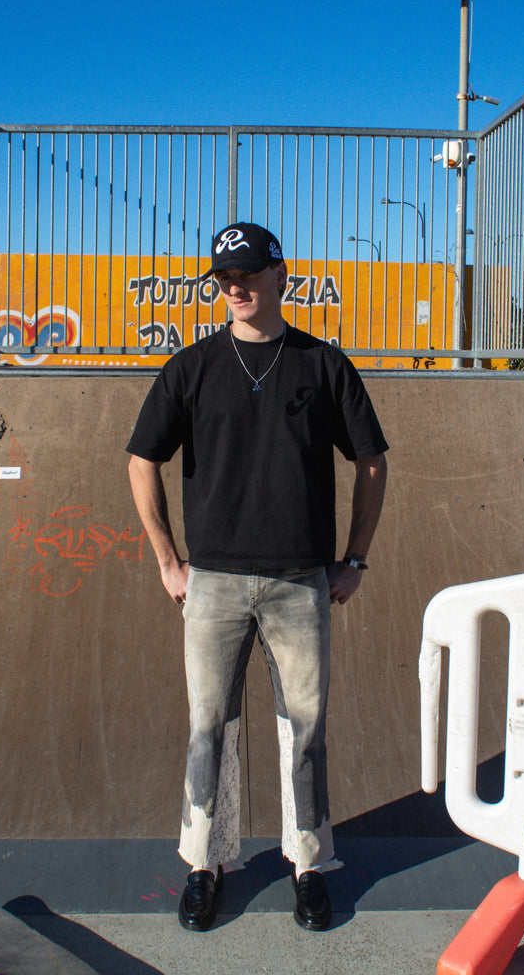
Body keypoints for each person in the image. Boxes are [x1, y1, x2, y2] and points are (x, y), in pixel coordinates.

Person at [126, 222, 388, 932]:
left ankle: (308, 865)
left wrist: (354, 557)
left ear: (280, 276)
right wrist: (168, 561)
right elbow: (141, 459)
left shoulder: (322, 365)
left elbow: (371, 460)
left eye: (247, 274)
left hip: (301, 580)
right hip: (212, 583)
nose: (235, 288)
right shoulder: (191, 367)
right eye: (223, 278)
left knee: (305, 728)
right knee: (209, 724)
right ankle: (206, 865)